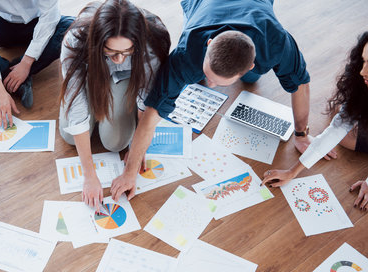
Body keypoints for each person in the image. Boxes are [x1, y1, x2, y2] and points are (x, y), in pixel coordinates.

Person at [110, 0, 315, 201]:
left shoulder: (277, 42)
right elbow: (151, 115)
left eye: (217, 82)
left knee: (251, 81)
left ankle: (229, 72)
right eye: (209, 75)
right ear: (208, 44)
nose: (209, 86)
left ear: (251, 64)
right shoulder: (186, 53)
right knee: (194, 75)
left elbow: (300, 85)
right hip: (202, 5)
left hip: (256, 12)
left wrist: (301, 134)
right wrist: (130, 172)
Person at [59, 0, 170, 208]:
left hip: (128, 79)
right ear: (97, 42)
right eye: (110, 52)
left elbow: (146, 99)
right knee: (69, 136)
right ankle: (99, 90)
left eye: (127, 52)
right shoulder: (74, 39)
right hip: (91, 74)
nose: (119, 59)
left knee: (115, 142)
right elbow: (76, 106)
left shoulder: (154, 41)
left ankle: (109, 95)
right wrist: (89, 175)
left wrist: (139, 149)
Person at [262, 28, 368, 211]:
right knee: (340, 116)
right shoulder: (363, 81)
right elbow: (335, 130)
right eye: (363, 61)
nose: (362, 72)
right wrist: (292, 171)